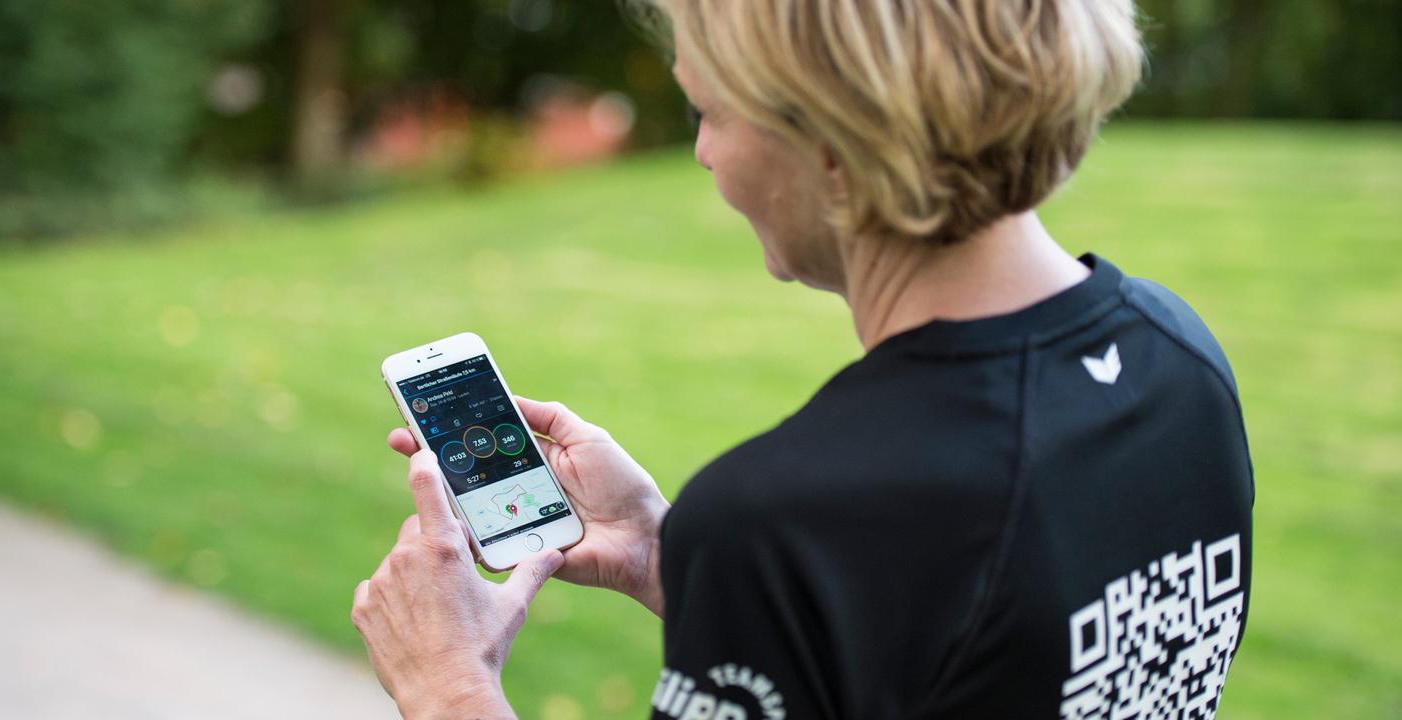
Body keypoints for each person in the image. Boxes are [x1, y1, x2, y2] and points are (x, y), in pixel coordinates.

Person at [349, 1, 1254, 718]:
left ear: (832, 141)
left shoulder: (795, 518)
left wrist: (448, 691)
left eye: (708, 110)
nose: (703, 153)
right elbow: (986, 654)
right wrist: (672, 557)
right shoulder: (1181, 364)